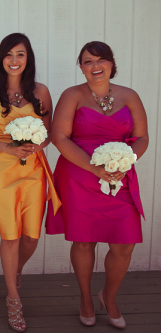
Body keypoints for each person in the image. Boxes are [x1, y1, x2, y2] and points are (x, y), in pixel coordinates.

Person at [46, 41, 148, 329]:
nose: (95, 66)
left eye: (101, 60)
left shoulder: (130, 96)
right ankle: (86, 299)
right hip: (79, 176)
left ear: (112, 64)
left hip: (119, 176)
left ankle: (109, 296)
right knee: (84, 240)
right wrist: (96, 168)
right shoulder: (72, 95)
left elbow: (142, 138)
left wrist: (123, 162)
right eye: (88, 61)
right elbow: (60, 138)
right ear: (81, 67)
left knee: (124, 243)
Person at [0, 33, 60, 332]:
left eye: (20, 54)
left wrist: (37, 145)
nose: (14, 60)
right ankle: (13, 298)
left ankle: (16, 270)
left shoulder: (41, 91)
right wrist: (8, 148)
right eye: (8, 54)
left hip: (34, 169)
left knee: (32, 236)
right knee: (9, 236)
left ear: (28, 58)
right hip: (0, 168)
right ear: (1, 58)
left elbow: (49, 133)